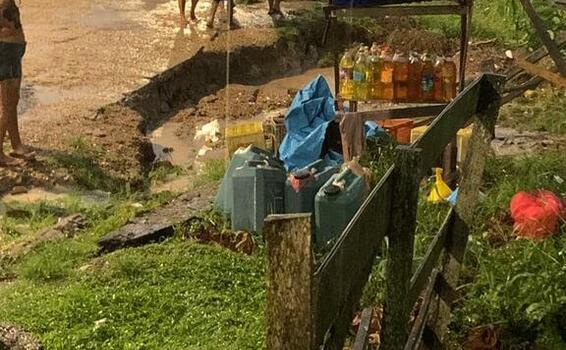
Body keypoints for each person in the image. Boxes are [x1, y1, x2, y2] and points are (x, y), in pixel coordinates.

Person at [0, 0, 34, 167]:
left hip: (10, 49)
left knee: (12, 101)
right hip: (8, 50)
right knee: (8, 103)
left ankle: (16, 145)